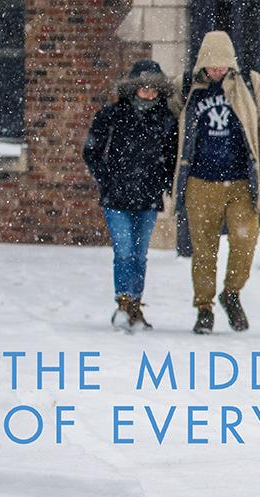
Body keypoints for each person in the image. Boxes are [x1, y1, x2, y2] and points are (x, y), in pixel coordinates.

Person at [174, 31, 260, 334]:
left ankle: (232, 293)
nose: (217, 71)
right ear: (202, 65)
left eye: (223, 67)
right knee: (203, 249)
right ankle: (204, 309)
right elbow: (170, 129)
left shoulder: (250, 84)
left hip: (240, 180)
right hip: (200, 181)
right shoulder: (187, 87)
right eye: (212, 67)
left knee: (245, 240)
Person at [83, 59, 179, 332]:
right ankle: (124, 301)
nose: (148, 94)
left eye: (153, 89)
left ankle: (135, 303)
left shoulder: (166, 121)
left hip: (148, 197)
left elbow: (171, 158)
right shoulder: (111, 116)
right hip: (116, 197)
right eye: (143, 88)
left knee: (139, 253)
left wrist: (164, 183)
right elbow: (92, 151)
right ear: (132, 89)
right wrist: (107, 178)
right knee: (123, 251)